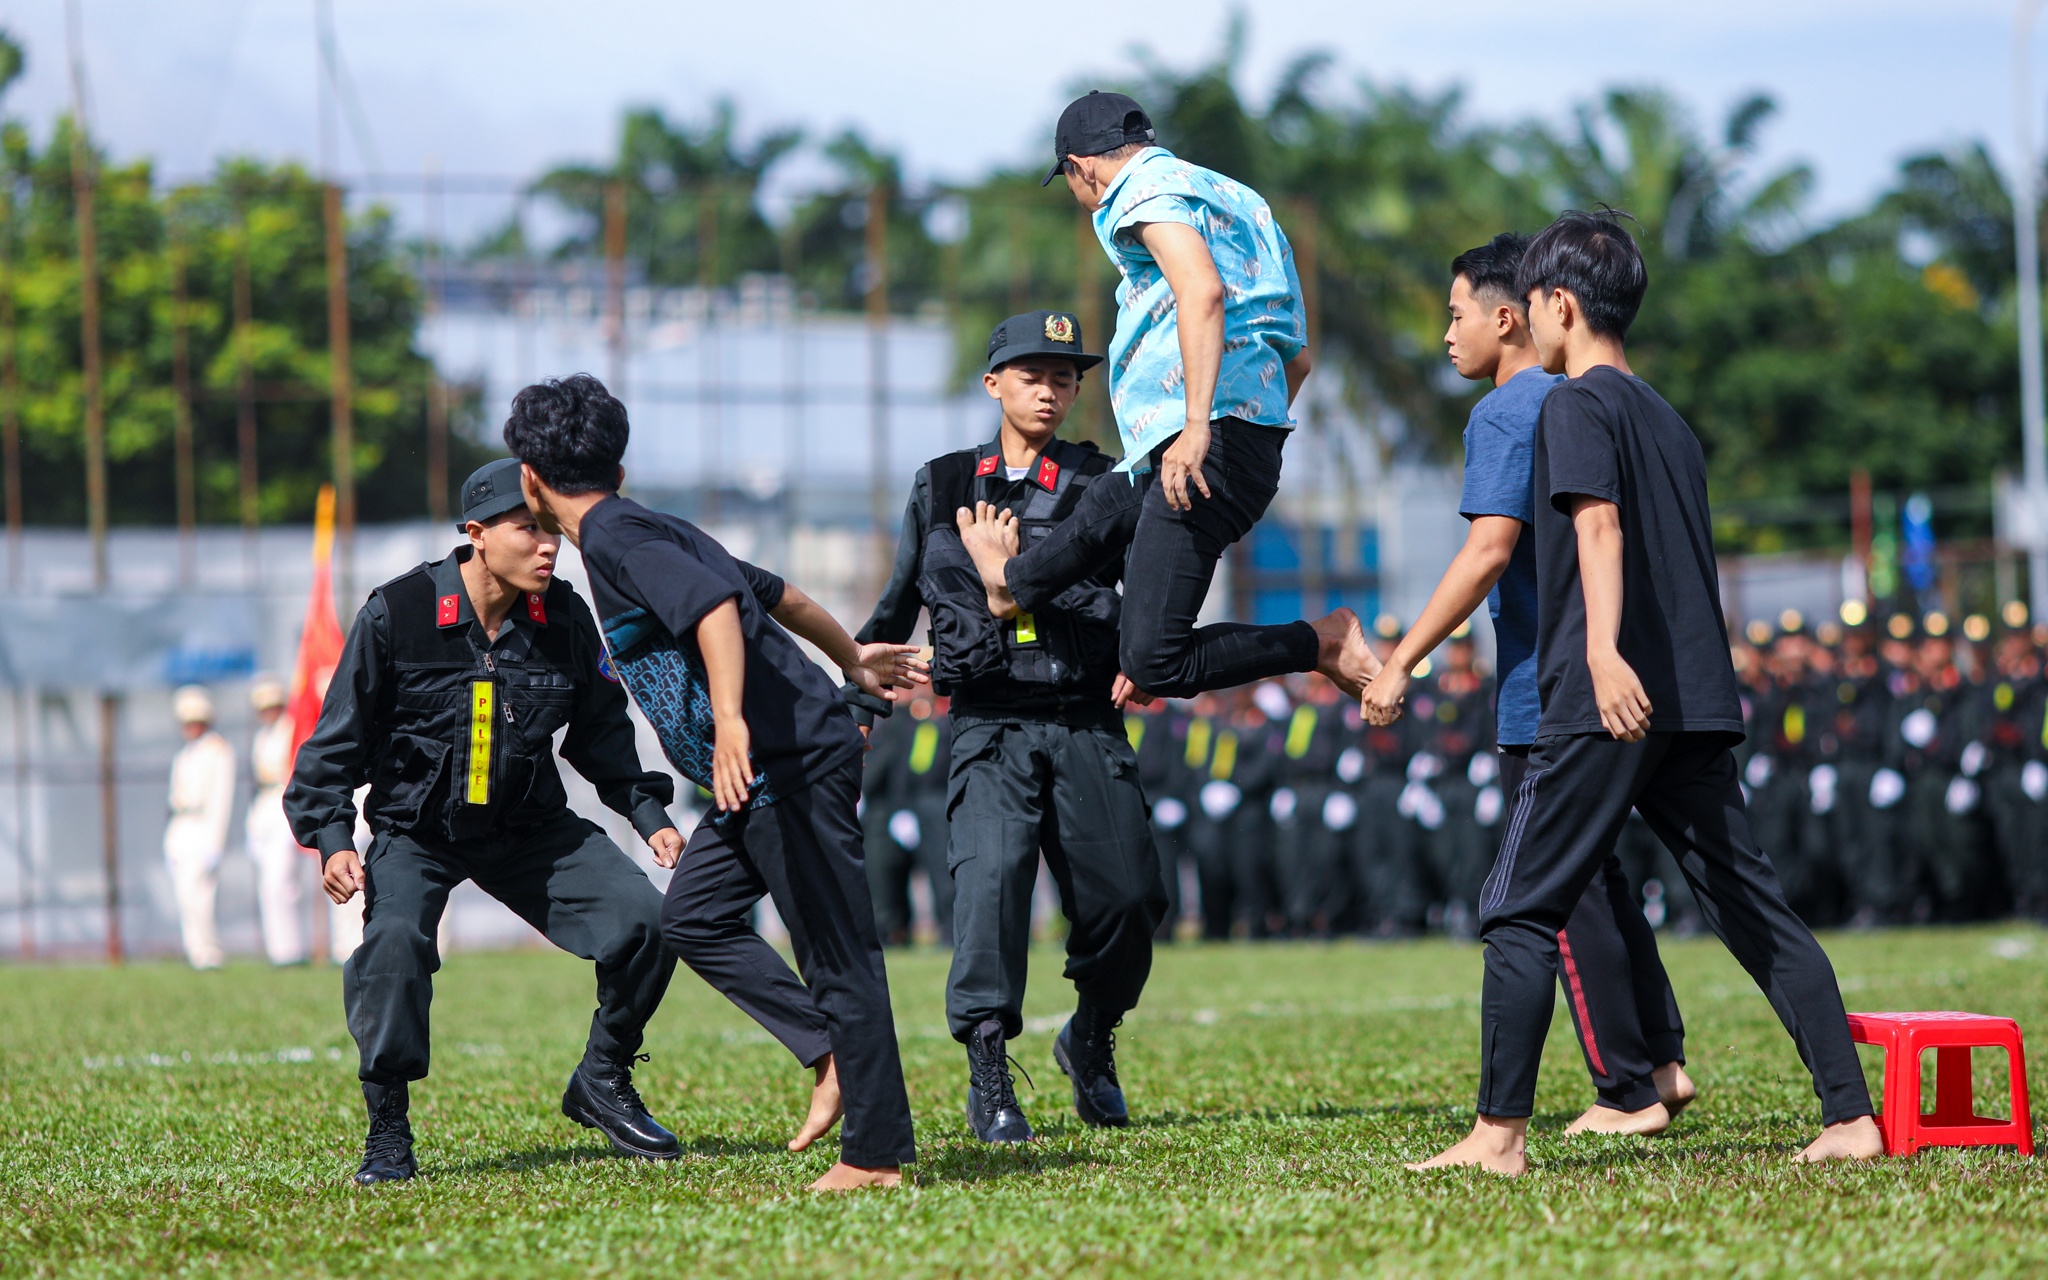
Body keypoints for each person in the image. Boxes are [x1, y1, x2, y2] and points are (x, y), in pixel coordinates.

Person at [1410, 211, 1882, 1174]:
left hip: (1606, 700)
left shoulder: (1573, 404)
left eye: (1534, 304)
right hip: (1695, 702)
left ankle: (1497, 1138)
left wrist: (1606, 654)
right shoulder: (1666, 414)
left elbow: (1599, 533)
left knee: (1519, 909)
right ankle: (1852, 1117)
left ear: (1559, 306)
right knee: (1756, 912)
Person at [505, 373, 923, 1192]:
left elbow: (716, 610)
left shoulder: (621, 540)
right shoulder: (640, 526)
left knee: (838, 952)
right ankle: (828, 1049)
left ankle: (874, 1156)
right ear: (617, 467)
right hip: (758, 776)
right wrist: (852, 657)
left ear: (530, 478)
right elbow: (778, 594)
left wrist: (730, 721)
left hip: (789, 759)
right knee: (692, 918)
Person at [1363, 233, 1693, 1134]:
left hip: (1546, 693)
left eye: (1456, 313)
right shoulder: (1587, 397)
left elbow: (1487, 551)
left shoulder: (1511, 411)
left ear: (1507, 317)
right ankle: (1659, 1061)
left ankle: (1625, 1088)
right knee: (1605, 878)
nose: (1446, 333)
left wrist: (1400, 658)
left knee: (1553, 890)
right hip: (1612, 684)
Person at [286, 458, 687, 1186]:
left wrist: (648, 812)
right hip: (418, 832)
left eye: (552, 532)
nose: (548, 547)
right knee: (395, 947)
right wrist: (333, 838)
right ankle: (388, 1131)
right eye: (527, 530)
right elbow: (334, 742)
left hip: (529, 829)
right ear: (475, 534)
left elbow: (602, 735)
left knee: (650, 923)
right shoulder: (397, 613)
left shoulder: (565, 618)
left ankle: (603, 1078)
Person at [849, 310, 1168, 1142]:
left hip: (1085, 719)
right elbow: (893, 610)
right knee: (986, 896)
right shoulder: (943, 483)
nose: (1052, 389)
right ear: (994, 383)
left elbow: (1138, 597)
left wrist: (1017, 578)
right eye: (1033, 373)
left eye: (1066, 376)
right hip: (988, 726)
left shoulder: (1106, 481)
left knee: (1130, 900)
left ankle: (1090, 1036)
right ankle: (990, 1077)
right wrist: (856, 705)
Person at [955, 91, 1376, 701]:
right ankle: (1011, 586)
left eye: (1070, 183)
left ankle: (1323, 640)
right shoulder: (1240, 201)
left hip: (1202, 439)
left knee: (1155, 664)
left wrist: (1200, 427)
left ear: (1082, 168)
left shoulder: (1142, 190)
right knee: (1105, 507)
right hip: (1225, 439)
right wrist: (1241, 434)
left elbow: (1200, 290)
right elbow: (1298, 357)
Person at [165, 685, 233, 971]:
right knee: (184, 895)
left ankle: (209, 952)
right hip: (181, 826)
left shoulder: (217, 752)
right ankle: (194, 951)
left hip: (203, 827)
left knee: (201, 895)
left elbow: (221, 800)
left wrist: (215, 843)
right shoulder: (183, 755)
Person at [244, 675, 310, 966]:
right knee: (267, 884)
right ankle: (278, 950)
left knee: (283, 881)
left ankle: (292, 948)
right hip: (264, 806)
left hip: (285, 799)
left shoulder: (291, 732)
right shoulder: (262, 736)